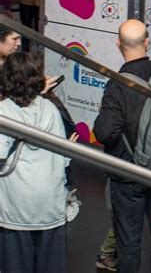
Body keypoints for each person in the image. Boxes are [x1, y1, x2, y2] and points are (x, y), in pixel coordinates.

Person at [94, 19, 151, 273]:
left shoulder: (117, 85)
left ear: (118, 45)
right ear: (147, 42)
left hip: (129, 174)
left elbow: (105, 133)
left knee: (129, 242)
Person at [0, 52, 70, 273]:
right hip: (50, 205)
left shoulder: (4, 111)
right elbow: (65, 158)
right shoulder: (50, 109)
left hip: (15, 207)